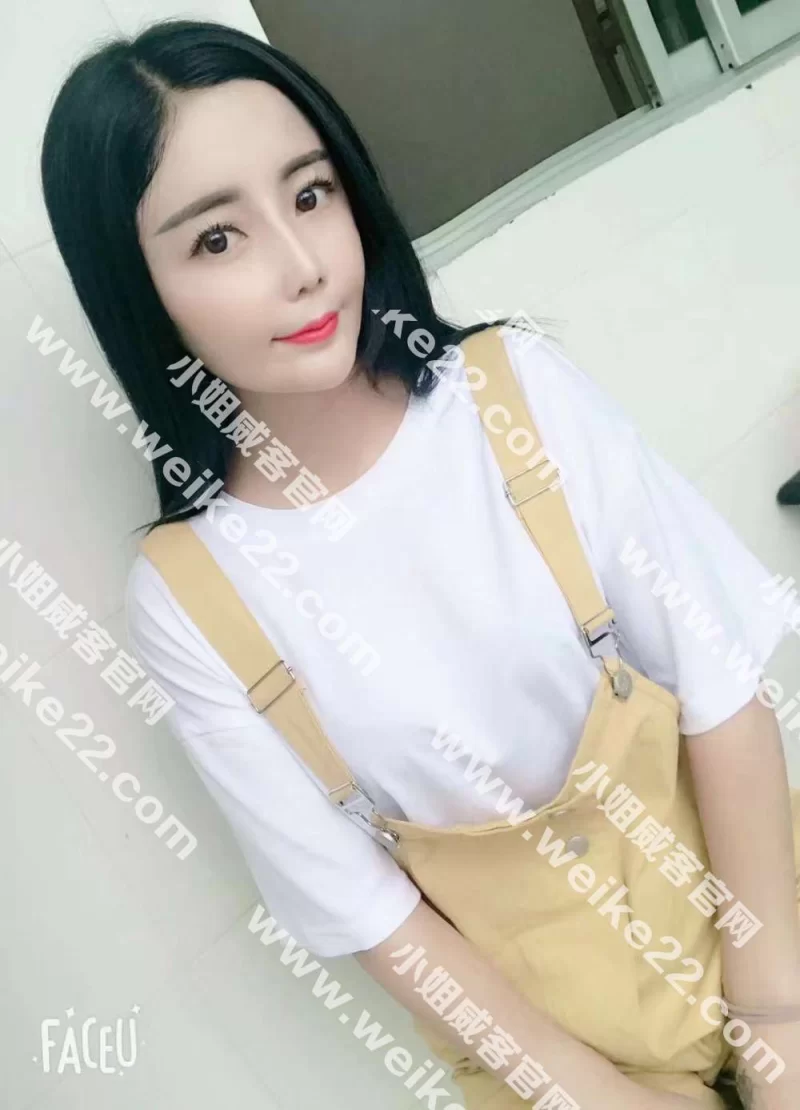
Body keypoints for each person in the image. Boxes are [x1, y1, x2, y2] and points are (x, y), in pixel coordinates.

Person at [40, 18, 800, 1110]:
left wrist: (776, 1030)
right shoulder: (189, 601)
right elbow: (376, 920)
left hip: (763, 929)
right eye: (216, 239)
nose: (303, 264)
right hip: (554, 1068)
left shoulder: (514, 394)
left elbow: (721, 693)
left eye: (310, 194)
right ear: (135, 287)